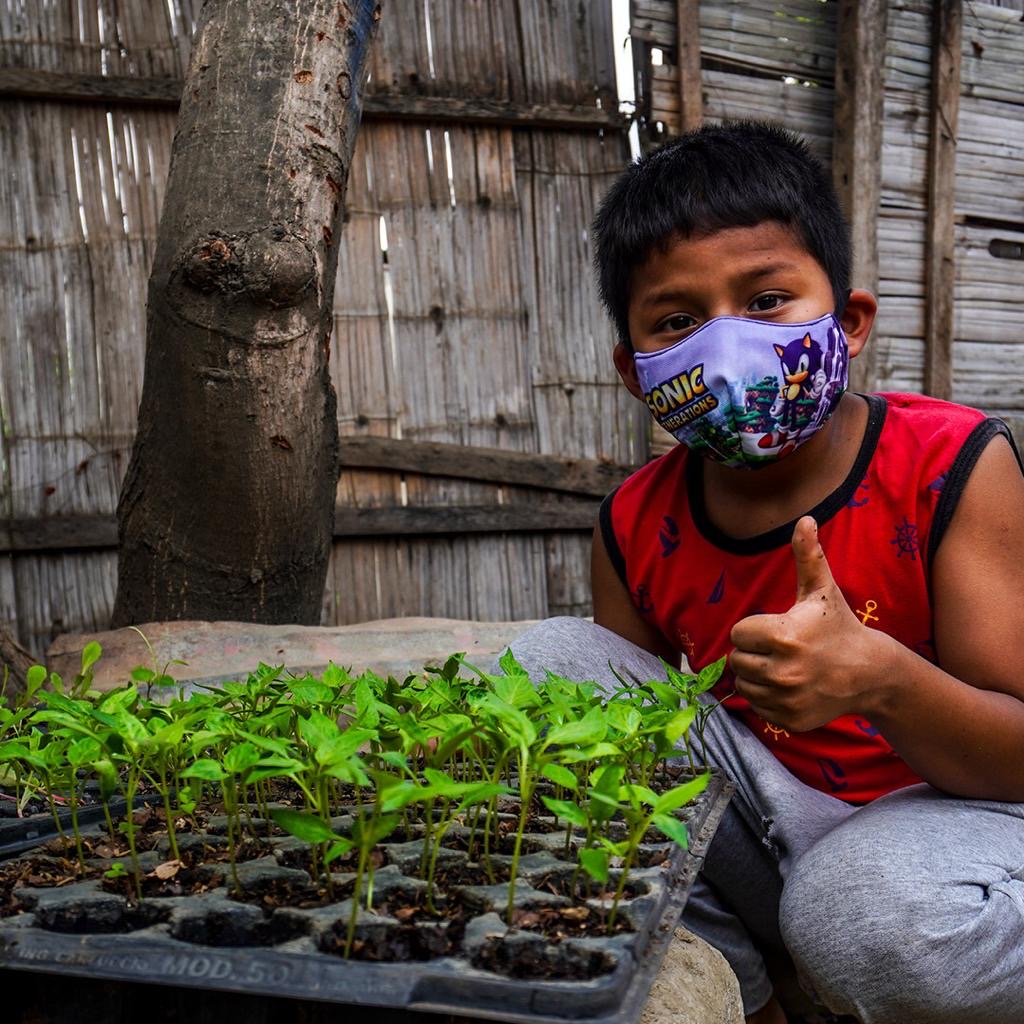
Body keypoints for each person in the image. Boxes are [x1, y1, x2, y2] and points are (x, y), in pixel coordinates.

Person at [506, 122, 1024, 1024]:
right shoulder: (633, 522)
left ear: (849, 322)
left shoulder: (951, 465)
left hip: (961, 823)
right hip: (767, 825)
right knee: (556, 666)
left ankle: (845, 957)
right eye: (678, 320)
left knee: (856, 913)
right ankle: (747, 991)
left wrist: (884, 680)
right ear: (636, 371)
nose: (726, 344)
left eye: (767, 299)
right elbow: (626, 778)